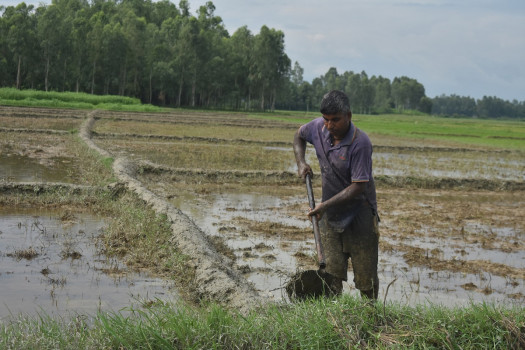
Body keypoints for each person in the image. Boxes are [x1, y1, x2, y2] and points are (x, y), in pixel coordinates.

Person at [293, 90, 379, 299]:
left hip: (360, 213)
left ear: (348, 116)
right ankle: (333, 318)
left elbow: (357, 186)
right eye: (326, 120)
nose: (330, 126)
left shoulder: (360, 143)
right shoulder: (317, 128)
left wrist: (324, 206)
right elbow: (298, 136)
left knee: (366, 278)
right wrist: (301, 162)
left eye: (335, 120)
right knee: (330, 273)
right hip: (330, 213)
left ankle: (371, 317)